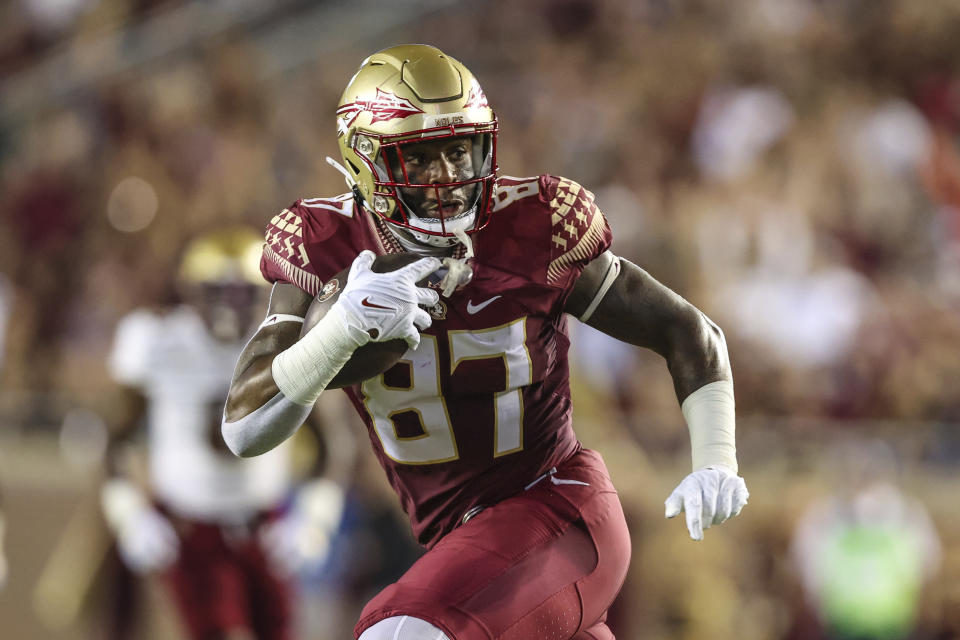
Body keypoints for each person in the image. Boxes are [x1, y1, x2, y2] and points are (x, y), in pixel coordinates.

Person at [223, 44, 749, 640]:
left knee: (402, 633)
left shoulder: (534, 225)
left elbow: (685, 329)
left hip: (559, 509)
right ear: (364, 160)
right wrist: (341, 332)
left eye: (460, 150)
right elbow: (244, 430)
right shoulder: (325, 246)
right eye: (422, 158)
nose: (449, 178)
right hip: (469, 546)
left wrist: (716, 459)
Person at [101, 227, 349, 640]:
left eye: (243, 293)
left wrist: (314, 518)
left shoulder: (288, 340)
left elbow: (333, 442)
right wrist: (127, 513)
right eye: (218, 292)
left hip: (263, 523)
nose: (230, 308)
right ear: (190, 291)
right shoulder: (156, 339)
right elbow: (116, 438)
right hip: (190, 523)